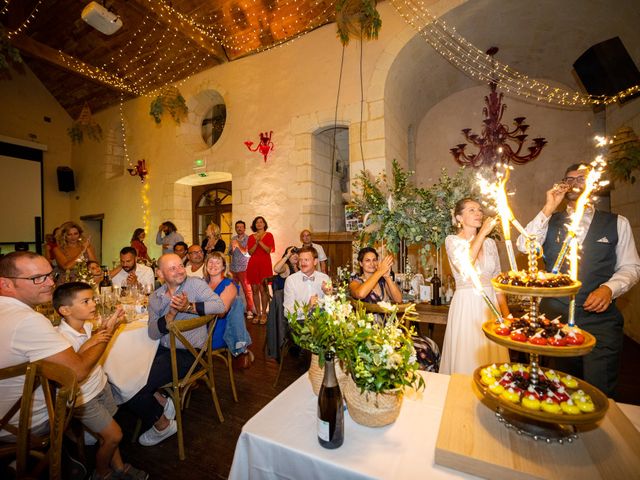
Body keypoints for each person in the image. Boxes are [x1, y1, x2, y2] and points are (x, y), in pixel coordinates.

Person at [516, 164, 640, 396]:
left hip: (599, 321)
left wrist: (609, 289)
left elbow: (631, 266)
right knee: (562, 385)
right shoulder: (550, 220)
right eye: (569, 179)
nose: (574, 183)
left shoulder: (616, 223)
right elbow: (524, 246)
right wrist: (548, 207)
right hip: (557, 319)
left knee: (598, 389)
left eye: (581, 179)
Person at [0, 252, 116, 441]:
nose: (50, 283)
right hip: (22, 426)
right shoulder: (27, 320)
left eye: (49, 275)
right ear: (6, 284)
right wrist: (106, 334)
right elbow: (77, 372)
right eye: (37, 278)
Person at [127, 253, 226, 446]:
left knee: (133, 386)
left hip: (191, 355)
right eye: (172, 268)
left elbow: (219, 306)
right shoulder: (156, 297)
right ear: (160, 273)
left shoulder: (195, 284)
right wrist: (172, 313)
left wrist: (188, 306)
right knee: (125, 375)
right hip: (162, 350)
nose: (180, 270)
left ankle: (163, 426)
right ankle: (164, 402)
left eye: (181, 265)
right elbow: (153, 333)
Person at [53, 282, 146, 480]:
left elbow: (102, 336)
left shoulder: (87, 325)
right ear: (64, 310)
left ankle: (119, 468)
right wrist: (91, 342)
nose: (93, 304)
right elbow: (72, 369)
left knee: (109, 432)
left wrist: (115, 322)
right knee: (115, 435)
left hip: (100, 385)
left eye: (92, 299)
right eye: (86, 301)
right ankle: (102, 472)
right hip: (83, 398)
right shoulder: (61, 338)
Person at [439, 198, 510, 375]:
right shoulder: (452, 241)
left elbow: (497, 281)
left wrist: (505, 313)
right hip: (466, 305)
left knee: (491, 356)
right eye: (471, 210)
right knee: (467, 355)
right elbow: (466, 263)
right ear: (459, 218)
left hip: (490, 307)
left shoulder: (490, 243)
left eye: (479, 210)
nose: (478, 213)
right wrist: (483, 233)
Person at [202, 252, 252, 362]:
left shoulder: (229, 285)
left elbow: (221, 312)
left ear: (224, 267)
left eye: (217, 262)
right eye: (210, 262)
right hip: (201, 326)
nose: (213, 265)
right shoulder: (202, 283)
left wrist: (194, 307)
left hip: (216, 331)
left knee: (181, 339)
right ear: (205, 265)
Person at [283, 246, 331, 318]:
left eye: (306, 260)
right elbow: (287, 313)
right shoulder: (291, 280)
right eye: (300, 260)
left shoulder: (324, 278)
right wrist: (307, 308)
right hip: (299, 324)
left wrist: (328, 294)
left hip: (320, 322)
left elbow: (330, 308)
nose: (302, 263)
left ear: (315, 261)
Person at [246, 216, 275, 324]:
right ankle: (257, 313)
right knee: (254, 290)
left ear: (264, 224)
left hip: (265, 264)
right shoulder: (250, 237)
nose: (259, 224)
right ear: (254, 225)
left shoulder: (269, 235)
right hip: (253, 264)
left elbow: (268, 250)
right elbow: (250, 252)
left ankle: (264, 313)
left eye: (261, 222)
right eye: (257, 222)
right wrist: (256, 242)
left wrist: (260, 241)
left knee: (263, 289)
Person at [228, 220, 254, 319]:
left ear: (244, 228)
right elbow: (230, 253)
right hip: (233, 267)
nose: (239, 228)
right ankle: (235, 310)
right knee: (233, 290)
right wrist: (231, 250)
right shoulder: (233, 238)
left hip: (244, 268)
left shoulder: (248, 239)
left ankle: (250, 310)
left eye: (241, 227)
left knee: (247, 291)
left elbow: (247, 253)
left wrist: (238, 245)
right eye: (237, 227)